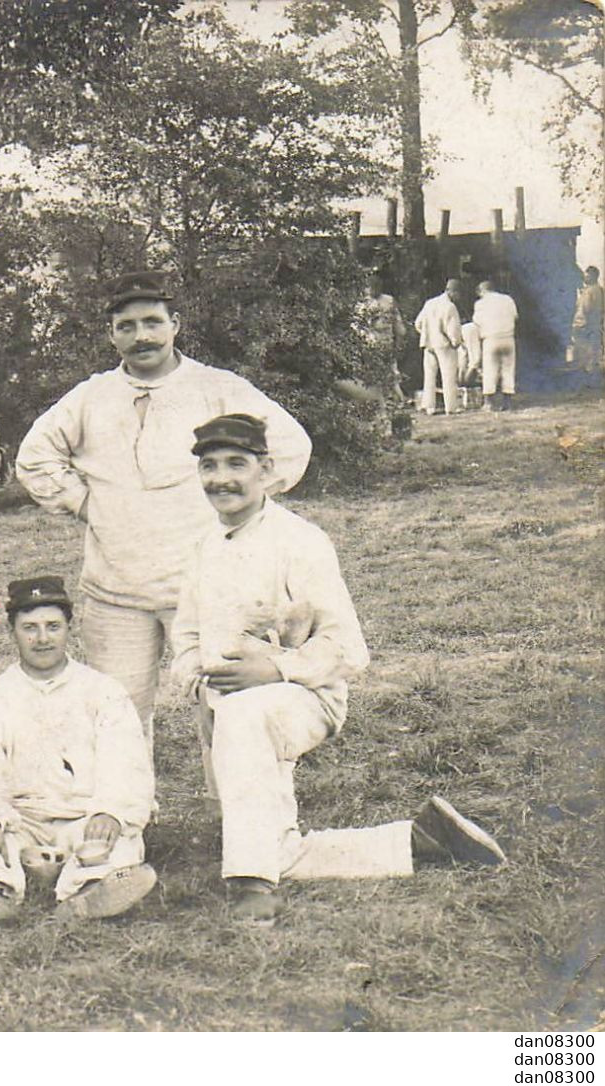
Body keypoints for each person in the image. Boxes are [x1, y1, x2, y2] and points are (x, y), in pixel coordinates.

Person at [169, 414, 506, 926]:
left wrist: (277, 669)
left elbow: (349, 648)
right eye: (210, 467)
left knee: (247, 736)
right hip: (226, 706)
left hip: (306, 695)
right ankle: (416, 841)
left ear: (266, 469)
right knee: (273, 840)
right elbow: (186, 638)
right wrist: (200, 684)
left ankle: (251, 882)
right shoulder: (201, 546)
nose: (222, 479)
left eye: (236, 464)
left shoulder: (299, 540)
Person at [14, 270, 311, 750]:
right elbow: (34, 458)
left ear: (175, 324)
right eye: (126, 326)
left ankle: (235, 814)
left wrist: (237, 507)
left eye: (152, 322)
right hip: (116, 588)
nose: (141, 337)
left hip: (205, 585)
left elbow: (292, 446)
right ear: (112, 334)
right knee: (118, 711)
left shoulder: (217, 388)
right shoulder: (92, 396)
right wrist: (86, 503)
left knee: (225, 702)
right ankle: (128, 816)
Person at [0, 576, 159, 922]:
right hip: (22, 819)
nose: (42, 639)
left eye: (52, 626)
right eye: (30, 628)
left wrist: (110, 811)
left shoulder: (102, 690)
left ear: (68, 630)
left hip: (84, 816)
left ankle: (90, 893)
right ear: (12, 631)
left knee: (113, 847)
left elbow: (126, 761)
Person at [413, 279, 465, 415]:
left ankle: (429, 407)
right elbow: (453, 329)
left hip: (428, 343)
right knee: (448, 376)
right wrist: (456, 343)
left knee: (429, 376)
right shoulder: (450, 307)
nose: (459, 297)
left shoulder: (429, 303)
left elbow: (418, 323)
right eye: (459, 293)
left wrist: (426, 334)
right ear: (452, 291)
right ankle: (451, 407)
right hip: (444, 345)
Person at [355, 273, 407, 404]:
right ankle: (383, 400)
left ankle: (396, 399)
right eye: (370, 287)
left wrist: (399, 341)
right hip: (370, 343)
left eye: (375, 287)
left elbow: (398, 324)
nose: (372, 290)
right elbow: (358, 326)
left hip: (385, 341)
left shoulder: (389, 301)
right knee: (374, 374)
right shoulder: (362, 303)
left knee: (391, 372)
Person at [472, 280, 519, 412]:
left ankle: (489, 403)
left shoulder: (480, 303)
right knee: (508, 369)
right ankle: (507, 402)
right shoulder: (508, 299)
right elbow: (515, 316)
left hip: (491, 339)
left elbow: (477, 322)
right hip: (508, 338)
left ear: (481, 291)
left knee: (490, 370)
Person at [569, 266, 603, 374]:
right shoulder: (599, 290)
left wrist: (582, 324)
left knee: (584, 349)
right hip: (593, 323)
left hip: (585, 324)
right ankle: (590, 370)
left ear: (593, 276)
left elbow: (586, 308)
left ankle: (586, 372)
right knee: (591, 349)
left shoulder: (590, 291)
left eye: (587, 275)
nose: (585, 277)